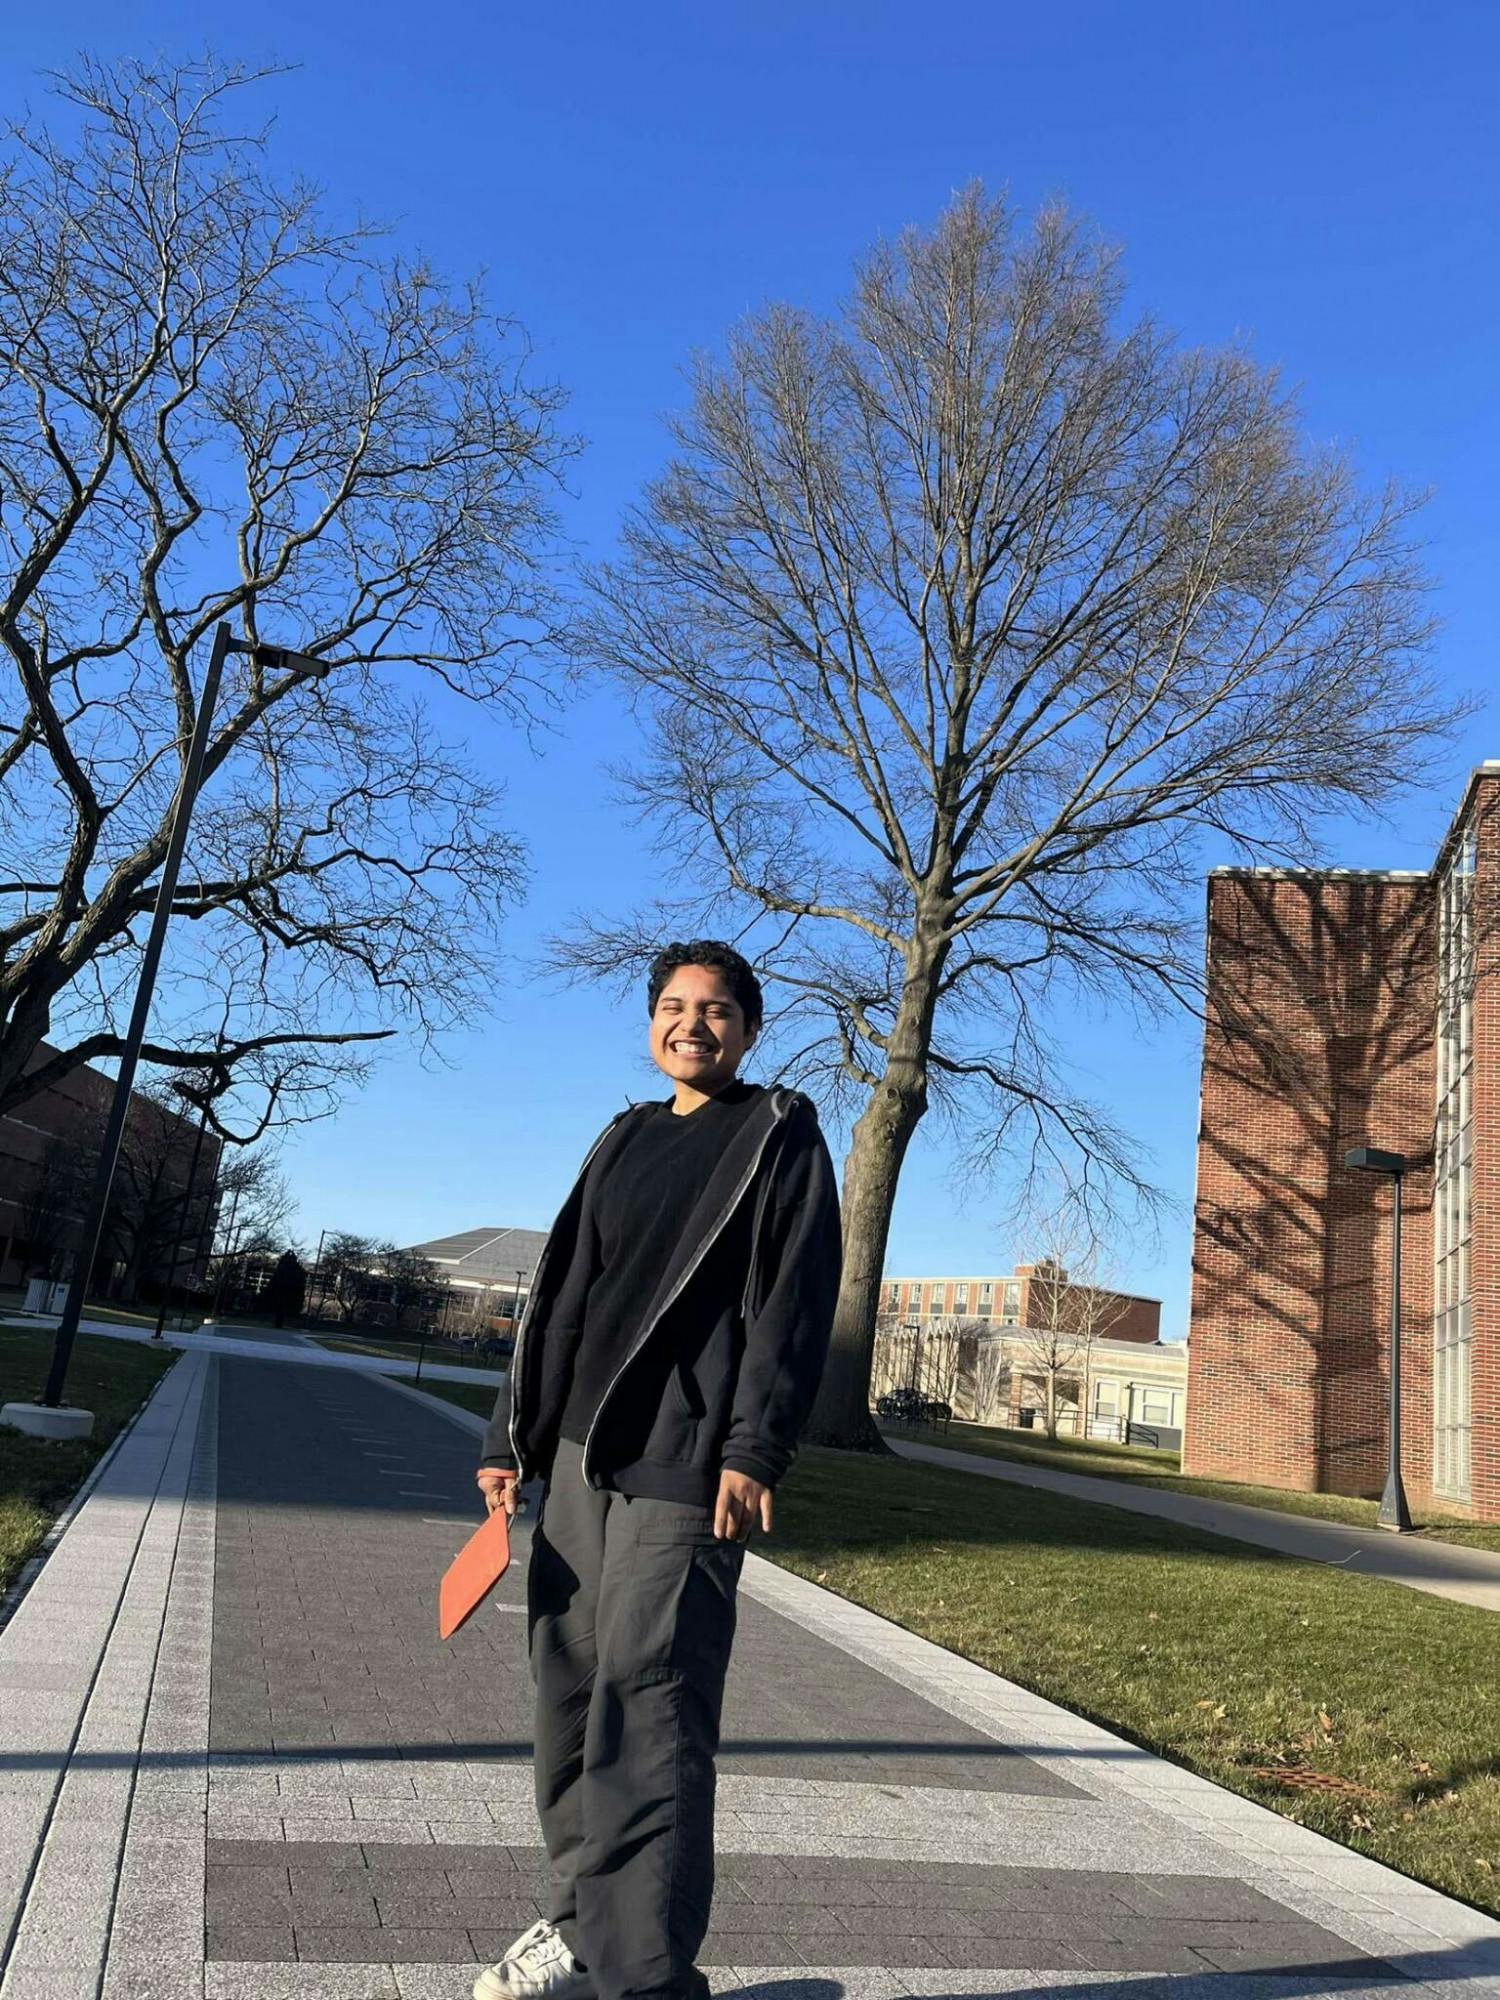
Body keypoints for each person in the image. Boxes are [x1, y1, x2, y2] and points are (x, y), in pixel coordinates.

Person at [472, 939, 842, 2000]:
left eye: (717, 1008)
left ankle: (646, 1974)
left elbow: (794, 1305)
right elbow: (562, 1296)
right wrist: (510, 1439)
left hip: (686, 1463)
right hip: (580, 1462)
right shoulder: (623, 1136)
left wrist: (754, 1448)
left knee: (650, 1702)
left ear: (750, 1029)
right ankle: (578, 1927)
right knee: (568, 1691)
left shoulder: (778, 1134)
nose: (693, 1023)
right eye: (674, 1006)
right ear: (650, 1025)